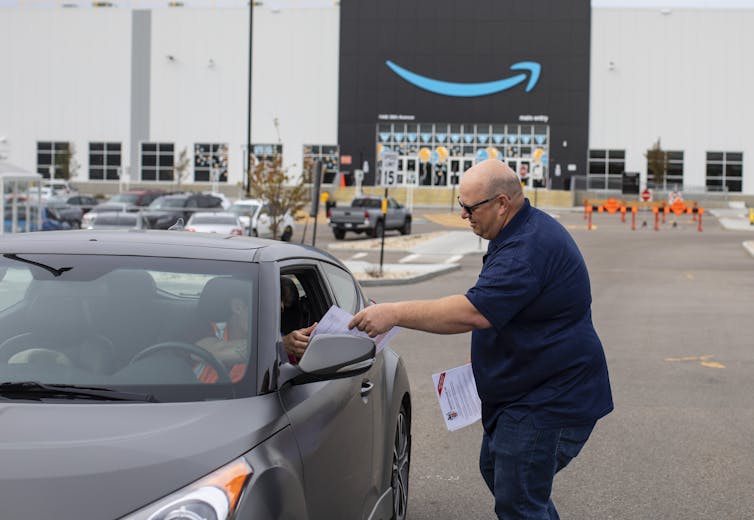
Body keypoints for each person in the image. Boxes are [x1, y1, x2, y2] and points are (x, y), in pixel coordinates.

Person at [348, 159, 613, 519]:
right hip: (527, 391)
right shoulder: (517, 233)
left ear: (502, 203)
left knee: (518, 498)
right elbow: (507, 309)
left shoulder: (527, 249)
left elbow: (473, 311)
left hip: (549, 398)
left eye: (469, 208)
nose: (462, 215)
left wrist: (394, 313)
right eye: (460, 205)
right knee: (500, 473)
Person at [279, 276, 316, 363]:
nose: (282, 307)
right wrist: (280, 346)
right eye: (279, 299)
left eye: (287, 308)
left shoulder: (293, 342)